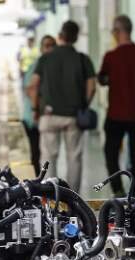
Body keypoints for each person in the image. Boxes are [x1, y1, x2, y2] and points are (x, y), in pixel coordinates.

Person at [27, 21, 96, 191]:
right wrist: (83, 105)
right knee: (74, 157)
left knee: (49, 158)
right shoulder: (82, 59)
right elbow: (92, 86)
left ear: (60, 35)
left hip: (48, 115)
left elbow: (32, 86)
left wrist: (36, 109)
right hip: (73, 116)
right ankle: (72, 199)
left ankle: (51, 196)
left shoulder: (45, 58)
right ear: (75, 37)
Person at [98, 14, 135, 197]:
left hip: (116, 115)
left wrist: (108, 78)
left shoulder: (111, 56)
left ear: (118, 31)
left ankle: (118, 191)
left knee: (110, 153)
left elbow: (102, 79)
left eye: (113, 31)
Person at [21, 35, 56, 174]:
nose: (50, 49)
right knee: (37, 153)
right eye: (47, 46)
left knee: (46, 152)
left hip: (43, 115)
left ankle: (42, 182)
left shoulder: (51, 65)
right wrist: (35, 110)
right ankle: (38, 184)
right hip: (33, 117)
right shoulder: (37, 65)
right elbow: (30, 89)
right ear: (41, 48)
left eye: (53, 45)